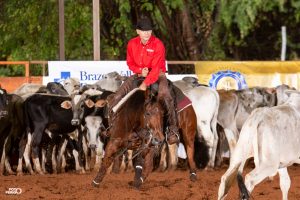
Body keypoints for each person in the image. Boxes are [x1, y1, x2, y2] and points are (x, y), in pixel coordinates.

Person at [108, 16, 179, 145]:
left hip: (158, 74)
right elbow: (130, 63)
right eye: (144, 30)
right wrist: (140, 70)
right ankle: (112, 127)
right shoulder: (132, 43)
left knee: (166, 96)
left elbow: (157, 68)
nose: (147, 33)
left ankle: (173, 130)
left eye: (149, 30)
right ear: (138, 31)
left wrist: (145, 83)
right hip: (139, 74)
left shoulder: (158, 44)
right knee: (117, 96)